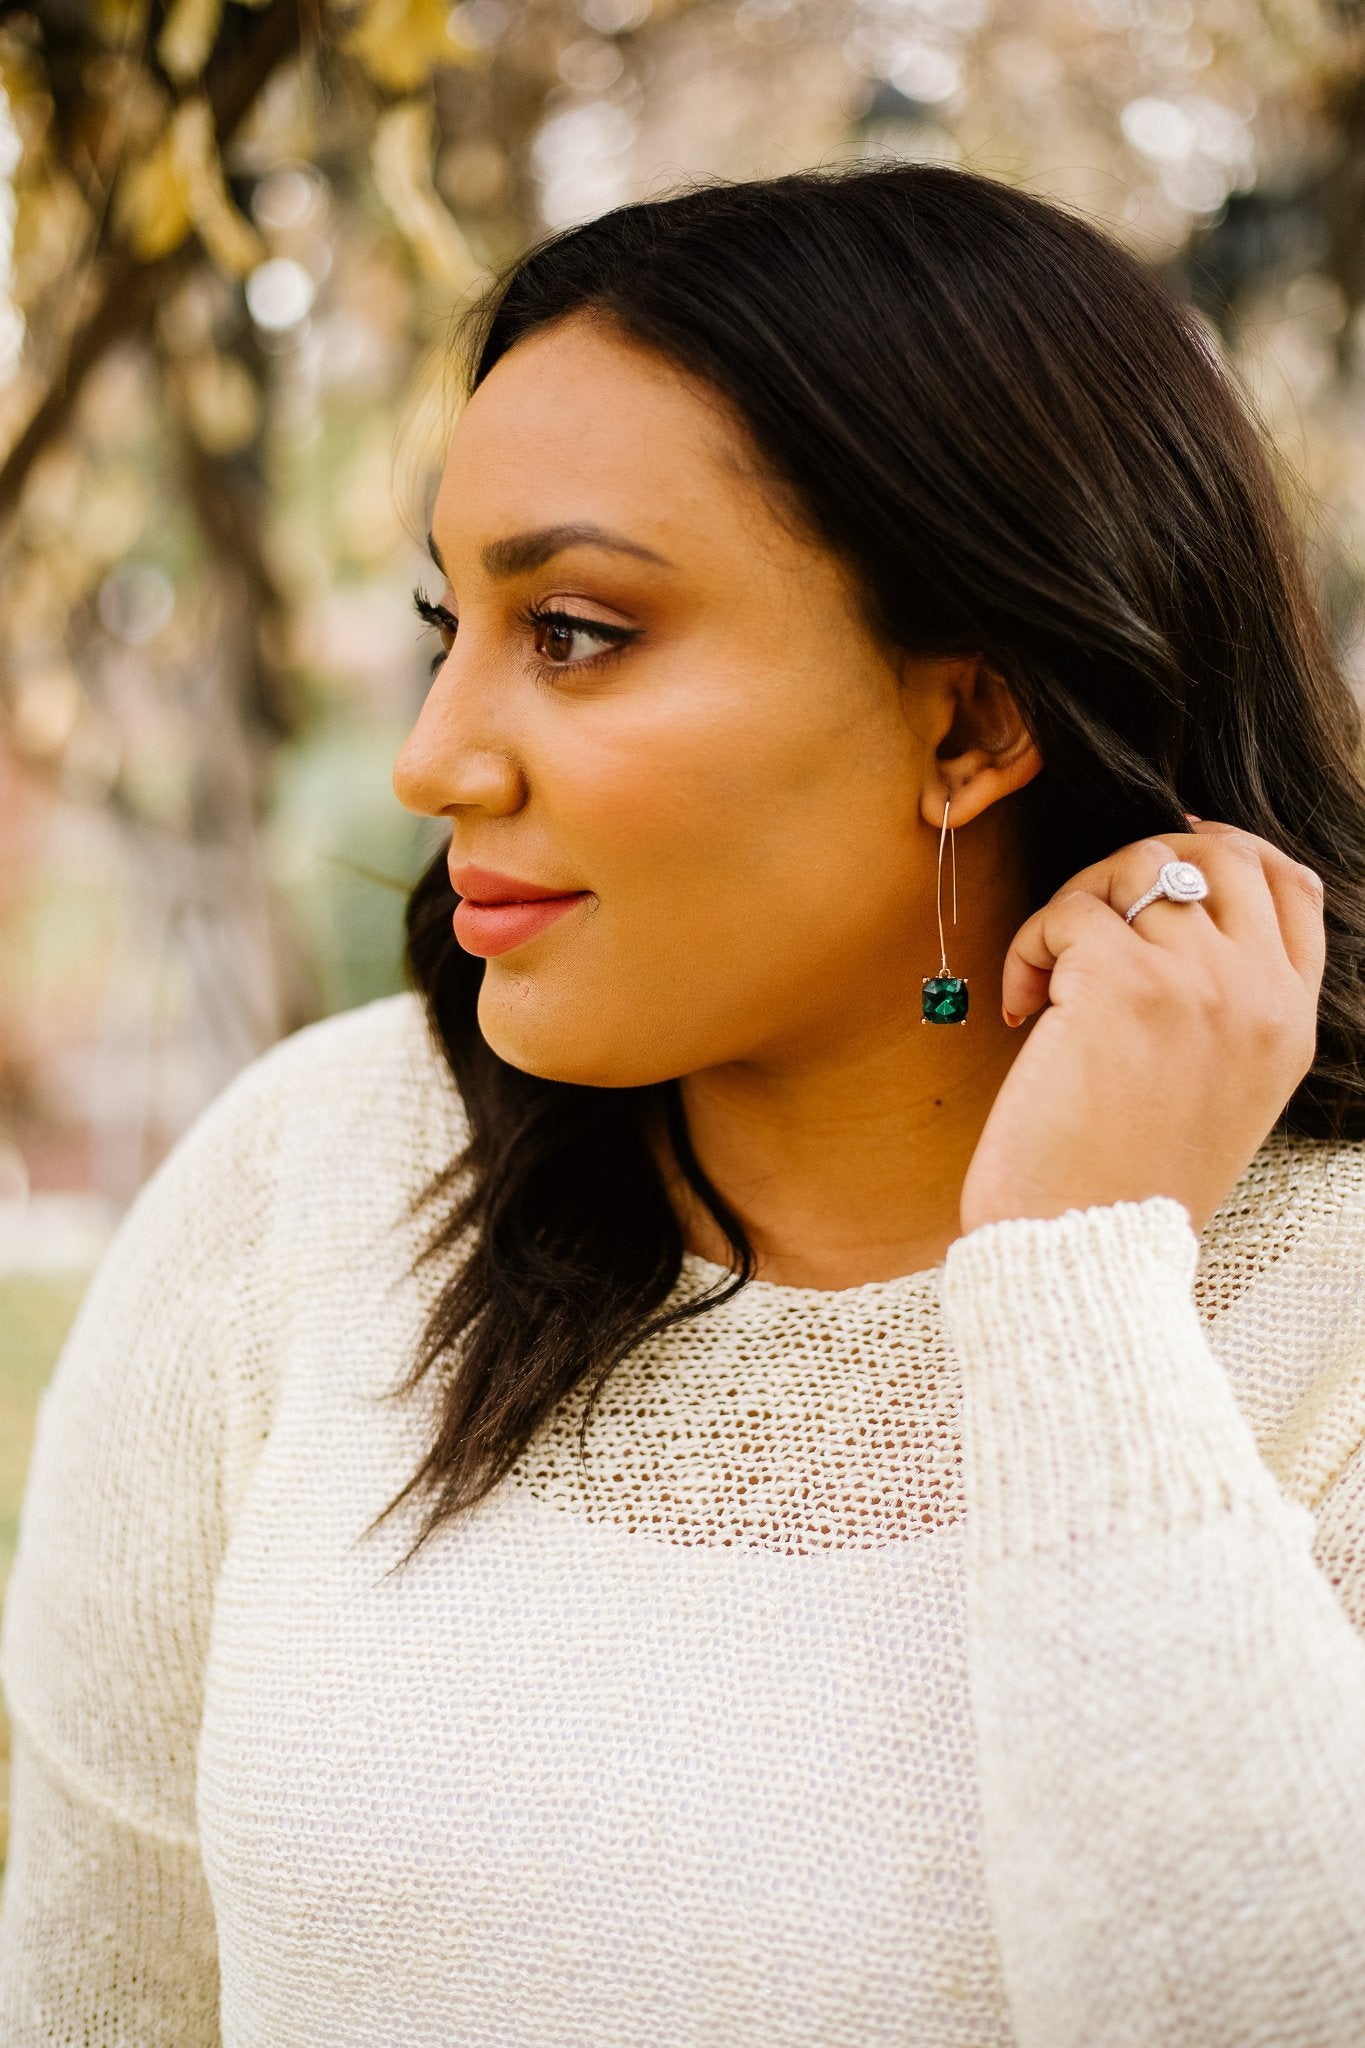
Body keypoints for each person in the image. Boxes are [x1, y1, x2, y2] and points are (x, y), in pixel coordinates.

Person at [2, 162, 1364, 2048]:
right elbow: (95, 1998)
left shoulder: (1332, 1313)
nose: (430, 757)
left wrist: (1077, 1279)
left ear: (969, 725)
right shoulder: (308, 1179)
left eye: (572, 630)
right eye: (450, 625)